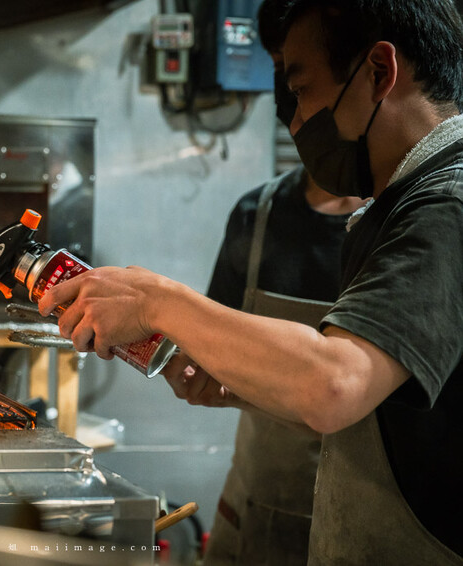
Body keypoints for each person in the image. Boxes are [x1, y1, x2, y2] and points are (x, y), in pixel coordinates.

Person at [38, 1, 463, 563]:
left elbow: (335, 384)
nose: (294, 124)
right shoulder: (393, 207)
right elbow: (387, 412)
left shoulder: (445, 207)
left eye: (303, 91)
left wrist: (155, 300)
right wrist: (242, 382)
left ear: (380, 73)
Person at [201, 1, 366, 563]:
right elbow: (209, 351)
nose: (303, 130)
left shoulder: (398, 230)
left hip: (360, 533)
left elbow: (341, 385)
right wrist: (194, 369)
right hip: (251, 514)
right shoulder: (258, 214)